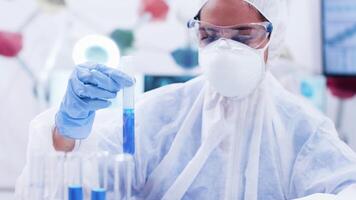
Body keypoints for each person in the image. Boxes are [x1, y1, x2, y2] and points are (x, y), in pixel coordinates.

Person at [16, 0, 356, 199]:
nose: (225, 49)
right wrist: (66, 131)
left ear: (273, 36)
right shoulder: (160, 113)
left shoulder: (302, 130)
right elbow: (75, 182)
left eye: (243, 35)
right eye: (209, 34)